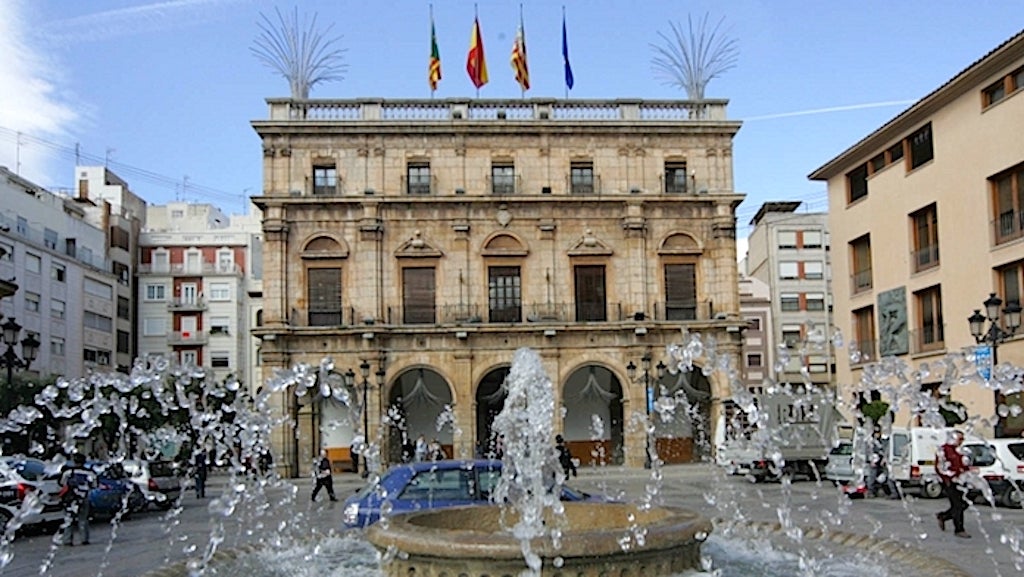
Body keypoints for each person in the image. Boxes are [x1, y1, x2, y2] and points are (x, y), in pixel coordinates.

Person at [935, 430, 971, 538]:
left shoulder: (958, 451)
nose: (961, 441)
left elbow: (963, 465)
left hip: (960, 481)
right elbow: (939, 467)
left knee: (964, 504)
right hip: (949, 482)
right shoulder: (944, 450)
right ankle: (959, 529)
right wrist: (947, 478)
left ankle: (943, 516)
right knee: (957, 505)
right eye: (960, 439)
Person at [59, 453, 97, 546]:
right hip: (83, 498)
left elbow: (62, 483)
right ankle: (84, 539)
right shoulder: (90, 472)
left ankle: (67, 540)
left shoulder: (68, 472)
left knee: (69, 519)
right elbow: (94, 485)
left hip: (71, 499)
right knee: (83, 519)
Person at [866, 431, 899, 499]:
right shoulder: (871, 442)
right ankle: (871, 492)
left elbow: (886, 451)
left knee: (888, 477)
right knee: (872, 477)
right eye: (876, 433)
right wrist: (871, 460)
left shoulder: (884, 441)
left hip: (883, 462)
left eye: (878, 433)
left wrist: (884, 459)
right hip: (875, 461)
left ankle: (893, 492)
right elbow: (869, 452)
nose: (877, 434)